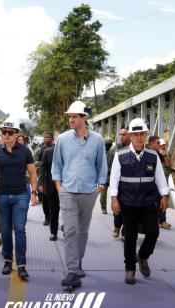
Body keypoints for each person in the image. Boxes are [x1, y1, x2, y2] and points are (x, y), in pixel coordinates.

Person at [51, 101, 108, 289]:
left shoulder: (97, 140)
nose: (71, 119)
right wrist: (59, 187)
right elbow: (57, 164)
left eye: (75, 116)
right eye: (69, 116)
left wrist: (99, 186)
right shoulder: (63, 139)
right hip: (67, 191)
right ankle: (72, 271)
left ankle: (78, 261)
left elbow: (102, 165)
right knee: (70, 230)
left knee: (82, 231)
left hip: (89, 191)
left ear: (84, 118)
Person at [109, 118, 169, 285]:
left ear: (145, 135)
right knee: (130, 236)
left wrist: (164, 195)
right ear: (130, 135)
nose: (138, 137)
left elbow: (160, 178)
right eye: (135, 134)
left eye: (141, 134)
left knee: (153, 233)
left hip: (148, 200)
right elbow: (114, 178)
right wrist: (114, 199)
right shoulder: (120, 155)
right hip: (127, 202)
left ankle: (142, 257)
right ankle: (130, 268)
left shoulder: (152, 155)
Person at [0, 117, 38, 279]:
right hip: (2, 196)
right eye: (4, 132)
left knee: (20, 230)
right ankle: (8, 261)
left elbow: (32, 173)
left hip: (20, 196)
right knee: (6, 231)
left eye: (10, 132)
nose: (6, 135)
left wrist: (34, 193)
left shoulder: (25, 151)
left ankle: (21, 264)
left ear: (17, 134)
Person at [107, 128, 130, 240]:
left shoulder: (134, 147)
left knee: (128, 210)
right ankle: (117, 227)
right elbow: (108, 164)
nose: (121, 136)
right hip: (118, 184)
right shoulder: (114, 148)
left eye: (124, 134)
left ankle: (125, 232)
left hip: (130, 185)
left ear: (130, 135)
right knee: (118, 208)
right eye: (120, 134)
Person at [38, 136, 59, 241]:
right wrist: (40, 183)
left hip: (68, 186)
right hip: (52, 186)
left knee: (70, 211)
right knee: (54, 210)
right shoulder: (48, 151)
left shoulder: (71, 152)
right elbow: (42, 168)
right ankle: (54, 232)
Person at [34, 132, 55, 226]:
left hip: (54, 178)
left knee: (54, 201)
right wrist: (43, 163)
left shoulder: (57, 149)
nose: (46, 139)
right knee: (45, 200)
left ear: (52, 138)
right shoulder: (40, 150)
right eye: (45, 137)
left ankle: (53, 218)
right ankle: (47, 217)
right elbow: (34, 162)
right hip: (44, 177)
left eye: (48, 137)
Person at [100, 137, 114, 215]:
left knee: (103, 192)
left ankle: (103, 208)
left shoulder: (101, 151)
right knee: (113, 192)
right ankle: (112, 207)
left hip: (104, 175)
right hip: (111, 174)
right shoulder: (113, 151)